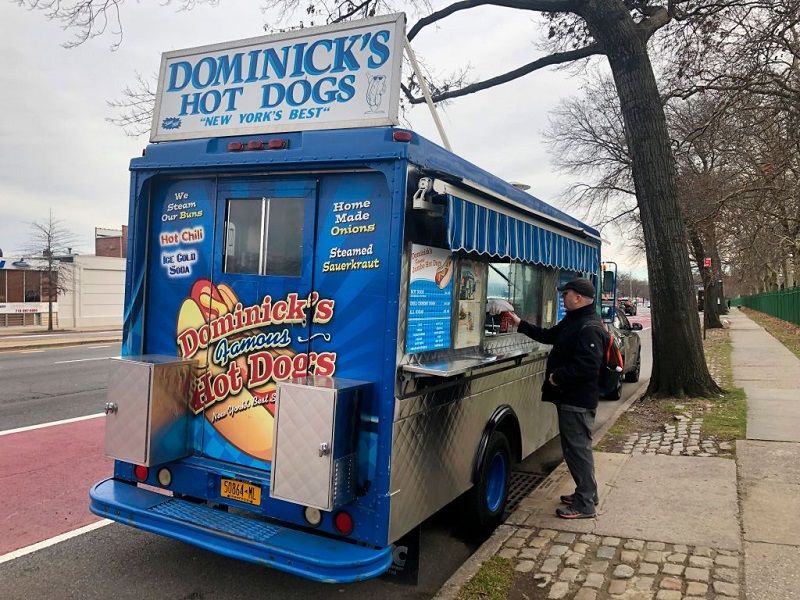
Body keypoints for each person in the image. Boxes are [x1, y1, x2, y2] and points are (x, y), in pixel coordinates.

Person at [506, 277, 606, 519]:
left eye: (566, 294)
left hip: (577, 400)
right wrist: (519, 323)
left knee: (577, 450)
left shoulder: (590, 326)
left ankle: (585, 503)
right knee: (574, 449)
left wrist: (557, 378)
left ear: (578, 298)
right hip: (569, 398)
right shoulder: (575, 320)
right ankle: (586, 493)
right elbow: (549, 336)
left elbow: (588, 366)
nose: (563, 298)